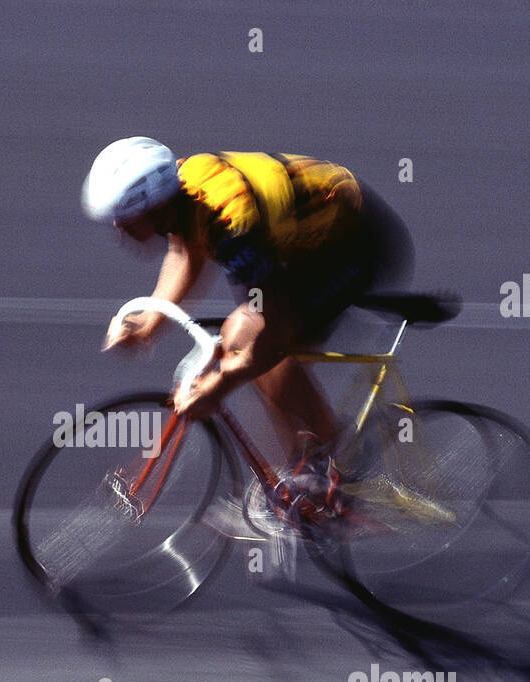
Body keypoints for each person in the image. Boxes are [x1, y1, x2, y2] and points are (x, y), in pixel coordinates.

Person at [82, 136, 455, 521]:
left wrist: (216, 387)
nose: (117, 228)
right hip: (298, 242)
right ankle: (300, 480)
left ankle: (332, 463)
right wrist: (148, 326)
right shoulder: (181, 193)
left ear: (155, 206)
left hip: (355, 245)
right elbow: (185, 253)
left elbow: (271, 335)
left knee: (256, 343)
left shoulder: (232, 223)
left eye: (124, 219)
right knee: (243, 345)